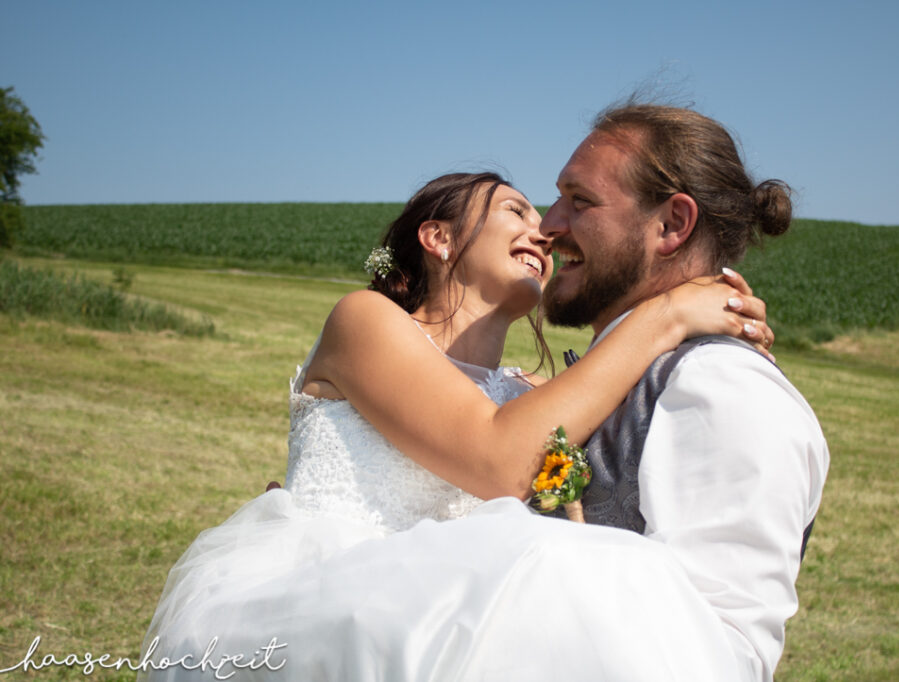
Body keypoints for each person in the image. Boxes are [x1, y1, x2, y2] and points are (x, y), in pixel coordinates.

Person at [139, 170, 773, 680]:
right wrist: (667, 315)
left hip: (455, 631)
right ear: (438, 239)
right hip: (329, 612)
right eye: (517, 212)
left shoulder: (531, 399)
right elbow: (495, 458)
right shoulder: (366, 321)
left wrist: (730, 331)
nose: (545, 232)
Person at [534, 102, 830, 681]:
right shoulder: (631, 369)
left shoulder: (723, 390)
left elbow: (718, 656)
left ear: (671, 225)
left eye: (580, 200)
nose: (549, 223)